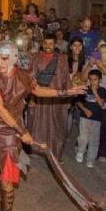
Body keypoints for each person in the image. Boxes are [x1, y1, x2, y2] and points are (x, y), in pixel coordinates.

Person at [0, 40, 84, 211]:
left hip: (9, 138)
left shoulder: (24, 75)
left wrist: (65, 92)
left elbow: (38, 90)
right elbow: (0, 109)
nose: (0, 62)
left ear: (14, 58)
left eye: (4, 58)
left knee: (7, 182)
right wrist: (23, 131)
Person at [26, 33, 71, 162]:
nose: (48, 46)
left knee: (56, 126)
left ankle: (54, 154)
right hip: (39, 97)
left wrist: (66, 98)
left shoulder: (62, 59)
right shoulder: (36, 58)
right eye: (45, 43)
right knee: (36, 124)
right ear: (42, 44)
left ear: (55, 44)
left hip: (56, 98)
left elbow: (66, 79)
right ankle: (35, 150)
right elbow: (31, 79)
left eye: (51, 44)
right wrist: (32, 98)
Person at [76, 69, 106, 168]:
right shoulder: (85, 89)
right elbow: (79, 102)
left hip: (97, 118)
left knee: (94, 140)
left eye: (95, 79)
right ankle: (80, 151)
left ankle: (90, 159)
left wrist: (95, 92)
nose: (93, 81)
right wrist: (84, 110)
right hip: (85, 117)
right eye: (91, 79)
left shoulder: (103, 90)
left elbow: (101, 104)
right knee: (83, 137)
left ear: (100, 80)